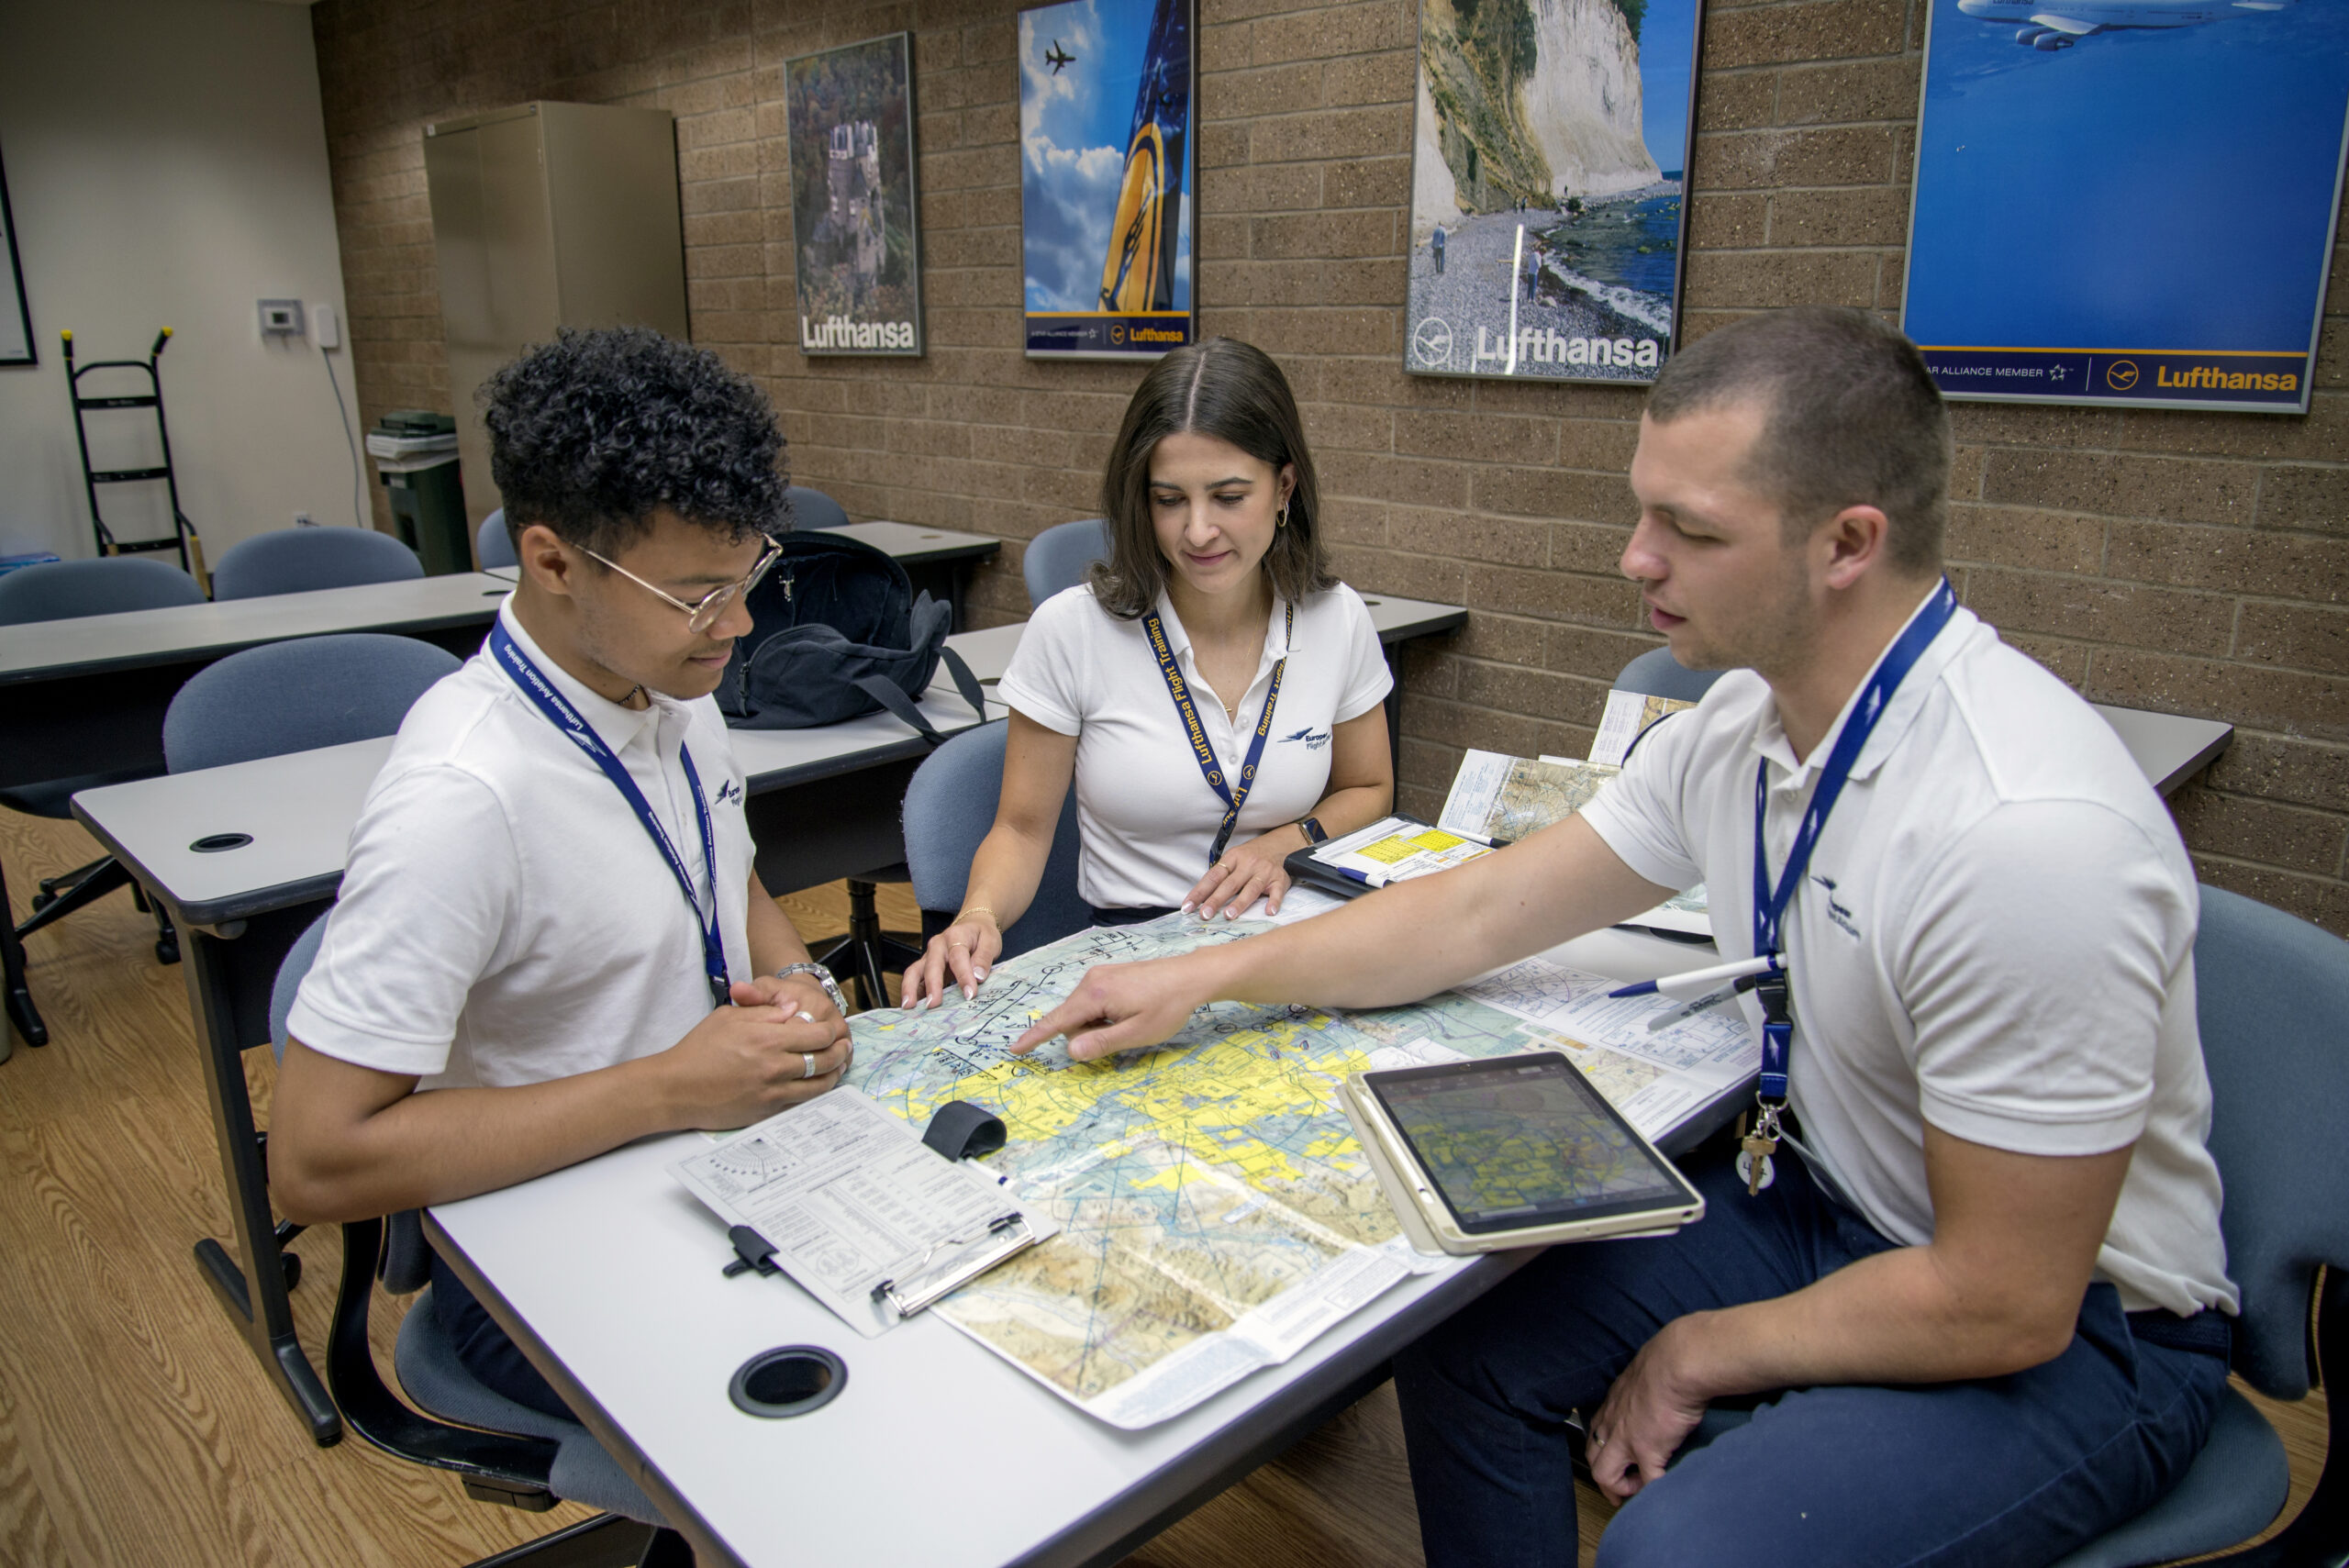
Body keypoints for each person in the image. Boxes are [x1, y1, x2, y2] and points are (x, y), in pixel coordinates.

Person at [1008, 306, 2236, 1568]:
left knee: (1676, 1548)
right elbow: (1475, 909)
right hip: (1829, 1200)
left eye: (1688, 529)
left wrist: (1698, 1349)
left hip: (2085, 1330)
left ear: (1847, 544)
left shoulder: (2023, 836)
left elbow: (2003, 1300)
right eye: (1643, 512)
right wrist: (1203, 978)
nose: (1633, 557)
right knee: (1463, 1336)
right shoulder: (1742, 727)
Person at [270, 327, 855, 1418]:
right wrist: (670, 1086)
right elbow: (313, 1160)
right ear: (551, 562)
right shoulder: (461, 798)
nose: (735, 625)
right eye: (696, 594)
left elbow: (724, 871)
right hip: (538, 1252)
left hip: (708, 1162)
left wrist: (794, 979)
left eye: (746, 577)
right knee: (858, 1403)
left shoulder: (668, 685)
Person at [902, 337, 1395, 1008]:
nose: (1198, 531)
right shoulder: (1073, 630)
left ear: (1284, 488)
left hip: (1288, 948)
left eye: (1228, 497)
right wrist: (978, 915)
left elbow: (1369, 786)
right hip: (1135, 958)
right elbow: (1021, 828)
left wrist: (1288, 842)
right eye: (1169, 499)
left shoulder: (1336, 618)